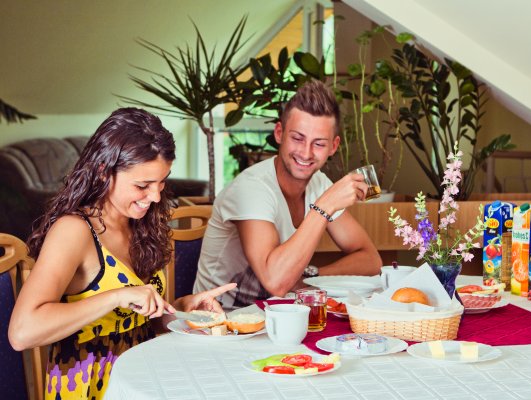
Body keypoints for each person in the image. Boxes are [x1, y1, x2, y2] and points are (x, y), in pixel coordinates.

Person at [8, 108, 235, 400]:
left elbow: (140, 322)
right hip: (92, 389)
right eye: (142, 185)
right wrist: (116, 296)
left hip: (144, 381)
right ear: (104, 172)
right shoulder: (74, 231)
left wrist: (182, 309)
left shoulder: (142, 225)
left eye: (162, 182)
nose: (155, 197)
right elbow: (22, 332)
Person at [194, 80, 382, 309]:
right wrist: (324, 206)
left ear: (333, 147)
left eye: (319, 144)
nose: (306, 153)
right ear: (279, 133)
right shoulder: (252, 188)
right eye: (297, 138)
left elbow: (370, 259)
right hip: (221, 320)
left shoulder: (319, 183)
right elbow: (276, 282)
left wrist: (311, 276)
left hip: (278, 316)